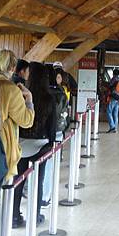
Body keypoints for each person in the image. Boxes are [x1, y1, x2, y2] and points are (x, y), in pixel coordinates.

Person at [0, 49, 34, 236]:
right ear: (13, 67)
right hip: (0, 149)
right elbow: (26, 120)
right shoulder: (10, 89)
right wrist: (28, 99)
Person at [13, 62, 57, 228]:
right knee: (38, 180)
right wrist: (53, 144)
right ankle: (35, 214)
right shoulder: (48, 97)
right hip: (41, 144)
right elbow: (52, 125)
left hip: (22, 142)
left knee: (18, 180)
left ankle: (14, 215)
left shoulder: (21, 94)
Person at [41, 66, 67, 206]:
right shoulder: (59, 94)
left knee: (40, 167)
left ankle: (40, 194)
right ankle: (45, 196)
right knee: (49, 167)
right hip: (55, 133)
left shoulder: (38, 92)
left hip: (41, 135)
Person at [106, 68, 119, 133]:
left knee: (109, 112)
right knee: (115, 114)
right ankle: (115, 129)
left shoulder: (113, 79)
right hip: (118, 98)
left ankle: (112, 126)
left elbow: (109, 87)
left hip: (113, 98)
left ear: (113, 73)